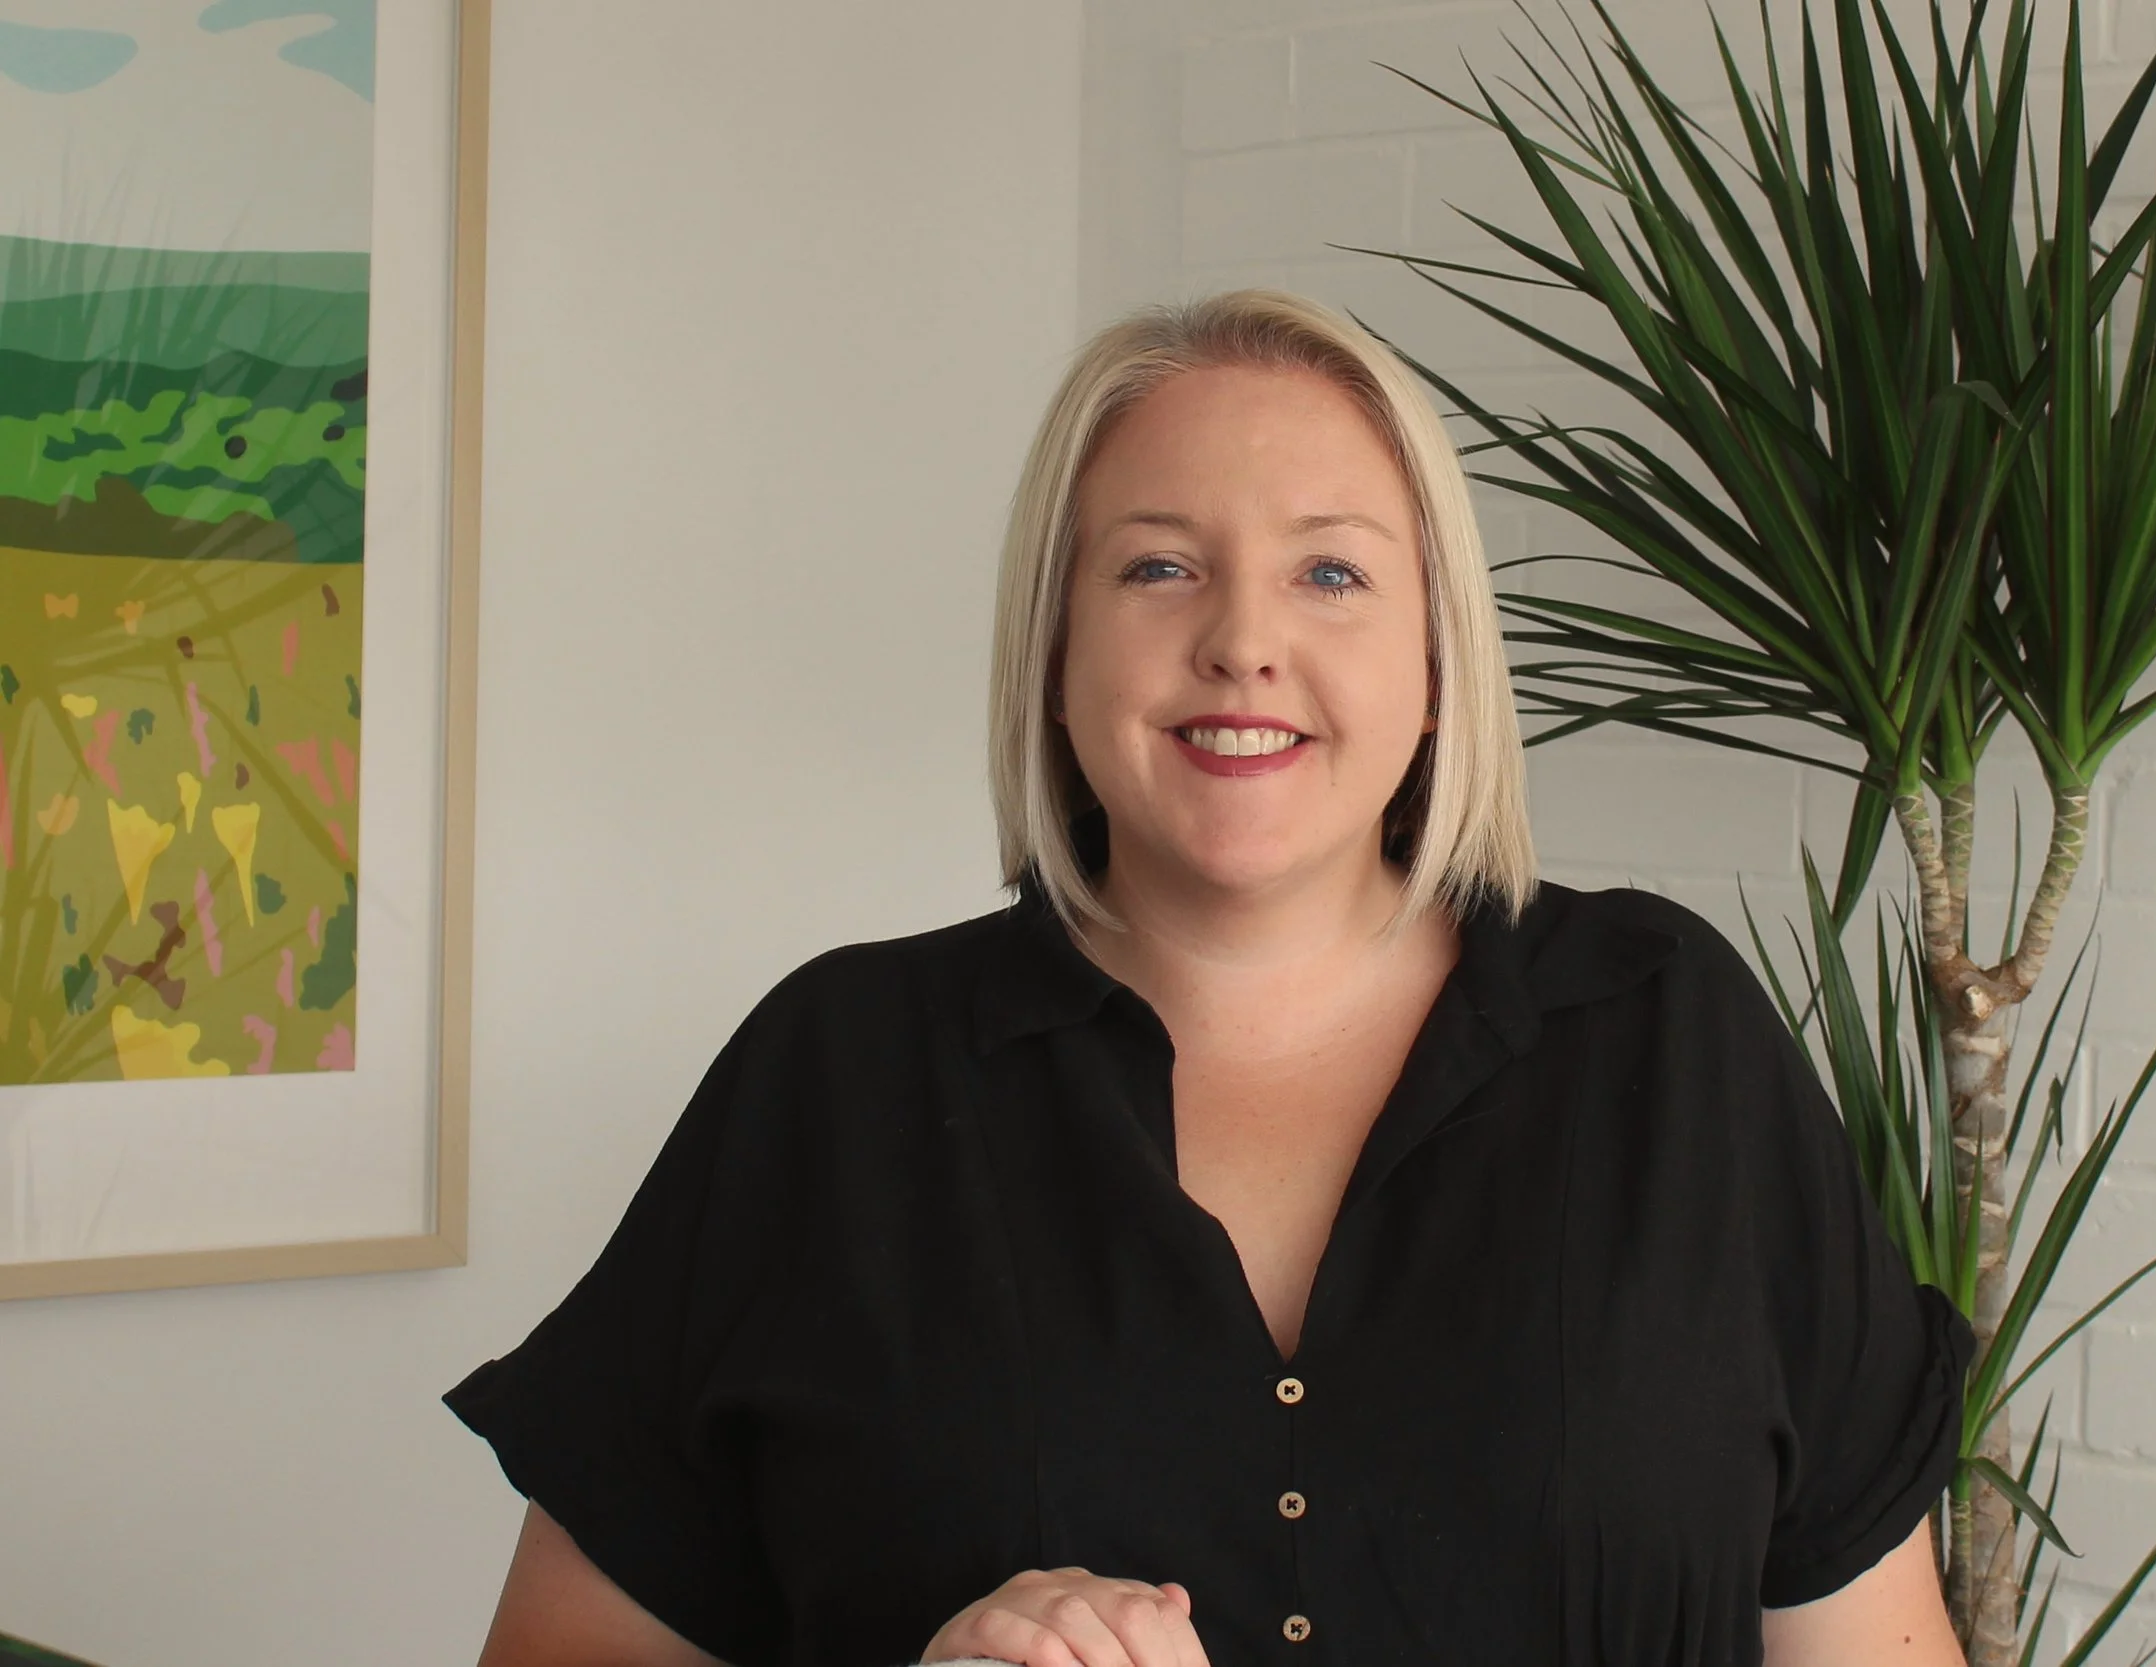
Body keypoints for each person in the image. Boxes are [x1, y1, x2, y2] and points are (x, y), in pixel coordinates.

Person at [444, 289, 1975, 1667]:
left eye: (1331, 571)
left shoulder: (1672, 1040)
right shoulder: (835, 1075)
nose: (1243, 641)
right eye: (1160, 566)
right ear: (1058, 649)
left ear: (1437, 664)